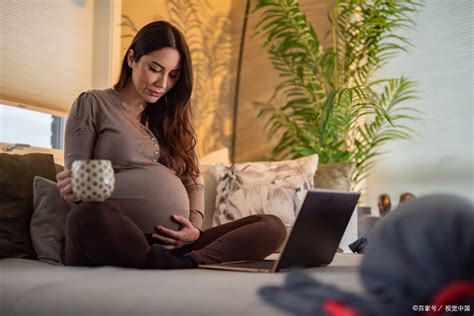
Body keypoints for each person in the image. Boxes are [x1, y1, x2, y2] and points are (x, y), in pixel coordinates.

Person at [56, 20, 286, 269]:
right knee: (87, 215)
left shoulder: (174, 117)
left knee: (271, 226)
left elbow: (193, 182)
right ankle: (159, 261)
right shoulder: (94, 103)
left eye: (173, 75)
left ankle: (189, 262)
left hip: (176, 246)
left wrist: (195, 231)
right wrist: (75, 188)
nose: (162, 83)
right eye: (155, 69)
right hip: (116, 235)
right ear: (132, 58)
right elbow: (78, 184)